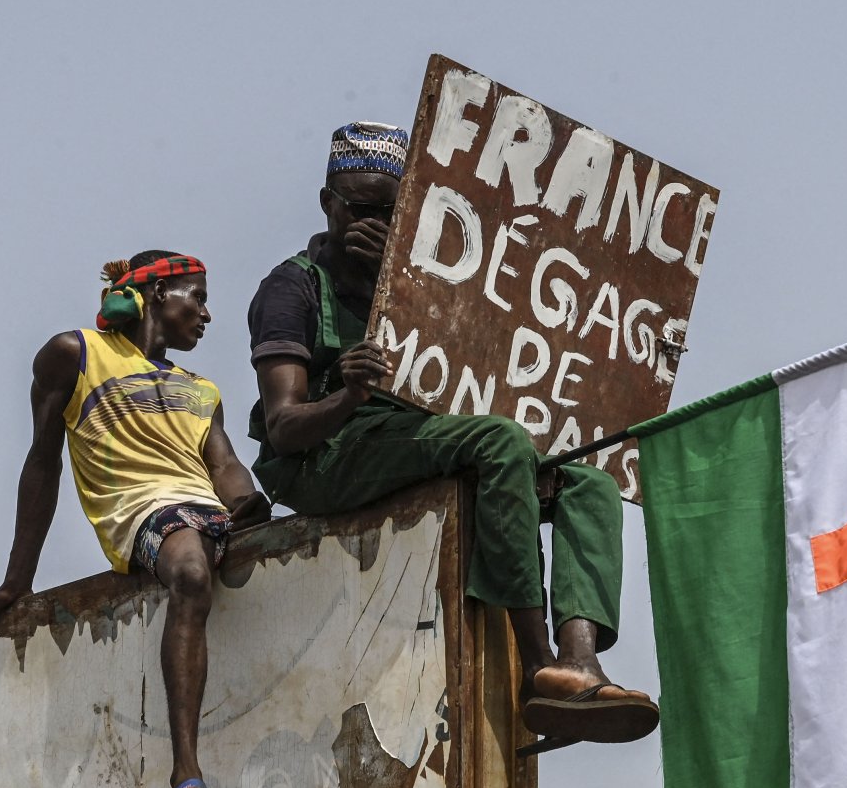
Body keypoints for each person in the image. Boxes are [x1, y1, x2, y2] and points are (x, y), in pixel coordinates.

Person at [246, 122, 657, 750]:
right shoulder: (293, 288)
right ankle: (536, 663)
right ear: (328, 203)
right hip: (327, 456)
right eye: (358, 209)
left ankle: (580, 661)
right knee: (501, 444)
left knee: (589, 481)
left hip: (417, 435)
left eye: (389, 210)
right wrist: (347, 393)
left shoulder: (431, 279)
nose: (370, 224)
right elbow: (284, 429)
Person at [0, 251, 271, 788]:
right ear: (158, 293)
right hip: (142, 511)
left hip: (206, 510)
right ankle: (186, 776)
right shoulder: (75, 354)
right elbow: (42, 463)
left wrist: (250, 508)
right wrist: (19, 578)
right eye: (198, 296)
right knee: (190, 572)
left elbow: (226, 466)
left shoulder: (200, 389)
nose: (207, 314)